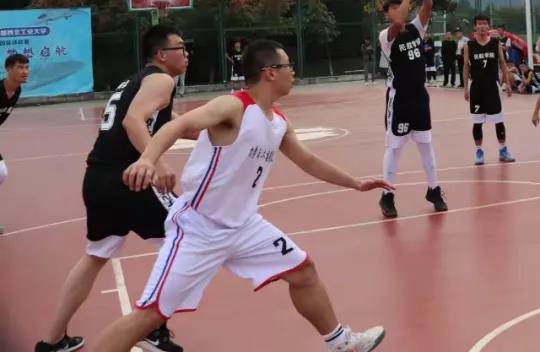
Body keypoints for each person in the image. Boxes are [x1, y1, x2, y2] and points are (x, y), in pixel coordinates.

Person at [90, 40, 392, 352]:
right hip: (199, 228)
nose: (293, 72)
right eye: (288, 66)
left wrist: (356, 183)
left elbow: (309, 161)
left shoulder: (278, 122)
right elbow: (177, 126)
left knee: (303, 271)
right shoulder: (233, 107)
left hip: (245, 226)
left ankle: (341, 343)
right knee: (150, 315)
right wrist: (147, 159)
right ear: (270, 72)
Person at [36, 26, 188, 352]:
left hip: (97, 178)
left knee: (96, 255)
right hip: (130, 178)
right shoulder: (161, 80)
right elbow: (133, 121)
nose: (186, 53)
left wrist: (219, 128)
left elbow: (172, 123)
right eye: (180, 47)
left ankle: (51, 340)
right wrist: (155, 162)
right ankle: (151, 328)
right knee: (187, 237)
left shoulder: (135, 82)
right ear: (161, 54)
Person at [376, 0, 447, 219]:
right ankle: (387, 195)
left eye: (401, 6)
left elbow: (428, 4)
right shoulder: (387, 36)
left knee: (426, 145)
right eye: (393, 8)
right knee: (394, 148)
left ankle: (434, 190)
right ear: (387, 15)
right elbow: (398, 21)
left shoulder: (417, 28)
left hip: (419, 97)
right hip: (400, 99)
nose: (398, 10)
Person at [464, 14, 515, 165]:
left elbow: (503, 63)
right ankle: (479, 151)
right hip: (476, 87)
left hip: (493, 86)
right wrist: (465, 88)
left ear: (488, 26)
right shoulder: (469, 45)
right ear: (475, 27)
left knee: (498, 119)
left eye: (485, 24)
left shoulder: (495, 43)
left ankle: (503, 150)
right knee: (477, 121)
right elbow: (466, 67)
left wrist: (507, 83)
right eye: (479, 24)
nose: (482, 26)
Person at [1, 53, 30, 235]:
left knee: (1, 173)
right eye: (20, 67)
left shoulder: (16, 91)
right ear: (8, 69)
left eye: (27, 67)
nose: (24, 71)